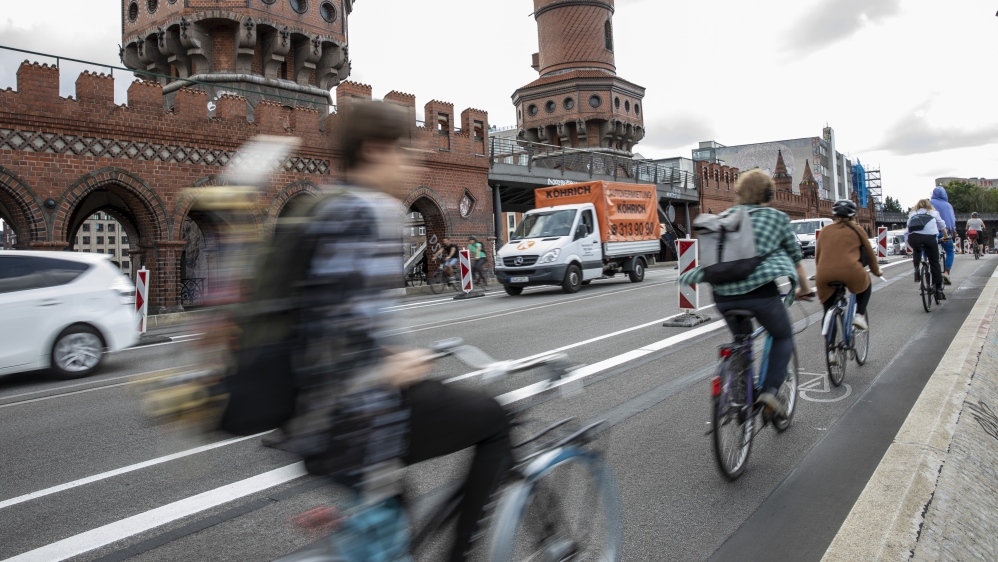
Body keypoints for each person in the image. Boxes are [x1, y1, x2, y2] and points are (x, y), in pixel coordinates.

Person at [274, 101, 510, 562]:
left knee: (391, 515)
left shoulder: (322, 209)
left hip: (307, 420)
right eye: (404, 151)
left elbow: (316, 313)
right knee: (496, 420)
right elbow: (346, 326)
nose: (413, 163)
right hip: (359, 419)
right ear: (375, 150)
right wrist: (393, 361)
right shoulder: (372, 213)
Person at [678, 169, 811, 417]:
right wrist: (803, 288)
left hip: (723, 297)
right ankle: (770, 391)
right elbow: (796, 258)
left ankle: (740, 398)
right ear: (769, 193)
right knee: (782, 335)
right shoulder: (776, 218)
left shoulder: (726, 217)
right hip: (760, 294)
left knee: (742, 341)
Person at [814, 200, 882, 364]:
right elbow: (870, 255)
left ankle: (830, 352)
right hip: (851, 272)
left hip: (824, 275)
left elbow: (818, 256)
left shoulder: (824, 230)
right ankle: (859, 315)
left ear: (834, 215)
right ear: (853, 215)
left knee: (828, 310)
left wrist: (821, 272)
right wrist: (876, 270)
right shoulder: (857, 229)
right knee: (865, 284)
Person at [906, 199, 948, 301]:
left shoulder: (912, 214)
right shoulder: (933, 213)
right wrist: (946, 236)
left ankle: (916, 269)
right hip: (929, 238)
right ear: (928, 205)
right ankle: (938, 290)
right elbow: (942, 225)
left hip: (914, 238)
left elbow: (908, 227)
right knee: (934, 262)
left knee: (917, 249)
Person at [930, 186, 956, 284]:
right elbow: (952, 220)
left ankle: (926, 263)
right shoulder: (948, 205)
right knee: (950, 251)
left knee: (927, 248)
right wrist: (953, 231)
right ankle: (946, 272)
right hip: (944, 233)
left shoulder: (929, 203)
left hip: (930, 233)